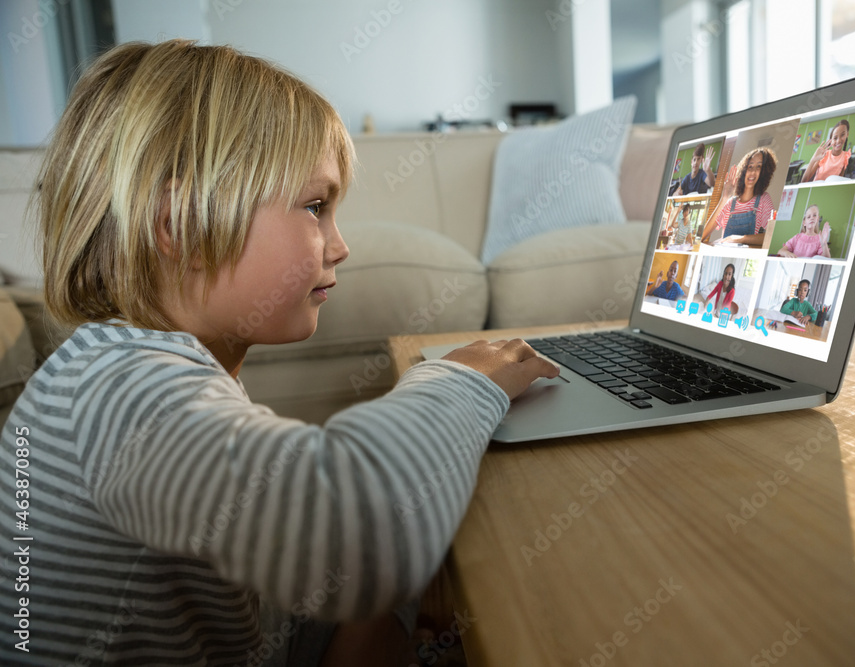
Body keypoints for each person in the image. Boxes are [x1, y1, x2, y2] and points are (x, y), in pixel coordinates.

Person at [0, 41, 558, 666]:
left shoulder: (128, 364)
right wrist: (459, 381)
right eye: (316, 207)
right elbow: (361, 537)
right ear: (180, 221)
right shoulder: (121, 387)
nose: (339, 245)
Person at [701, 147, 777, 247]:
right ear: (744, 170)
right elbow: (702, 236)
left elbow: (771, 236)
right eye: (750, 166)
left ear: (764, 173)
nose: (753, 171)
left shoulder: (763, 199)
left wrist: (740, 239)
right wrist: (725, 197)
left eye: (759, 167)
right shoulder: (730, 203)